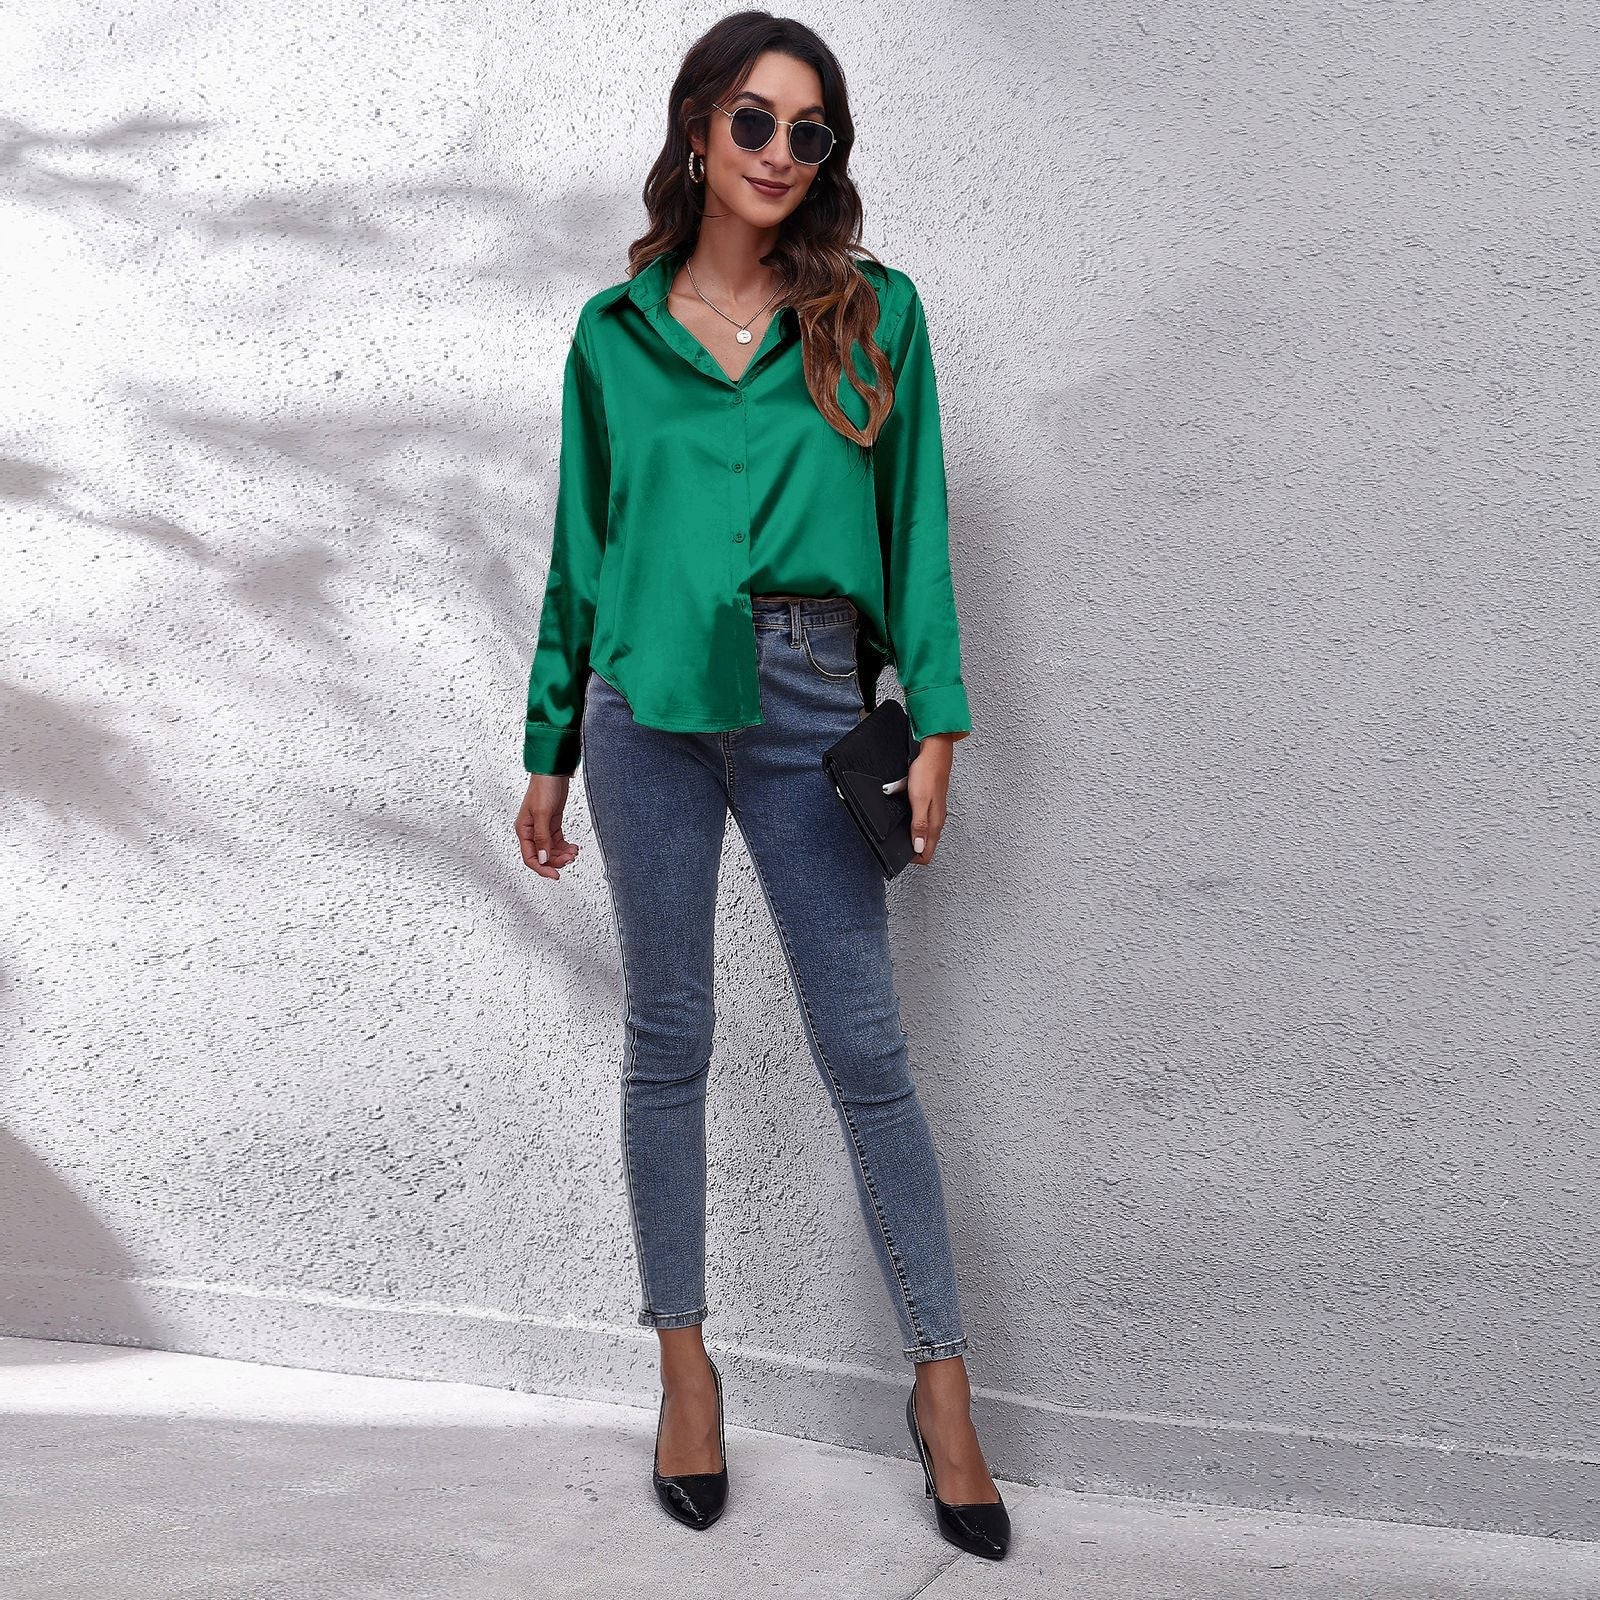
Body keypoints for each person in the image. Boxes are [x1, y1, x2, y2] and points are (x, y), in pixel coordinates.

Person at [512, 12, 1009, 1562]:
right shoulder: (614, 334)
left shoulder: (877, 313)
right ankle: (685, 1372)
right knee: (668, 1044)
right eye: (753, 121)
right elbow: (581, 547)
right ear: (696, 129)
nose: (781, 153)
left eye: (811, 132)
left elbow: (916, 520)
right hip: (644, 706)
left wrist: (939, 719)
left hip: (810, 699)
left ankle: (943, 1390)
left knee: (866, 1052)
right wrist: (547, 746)